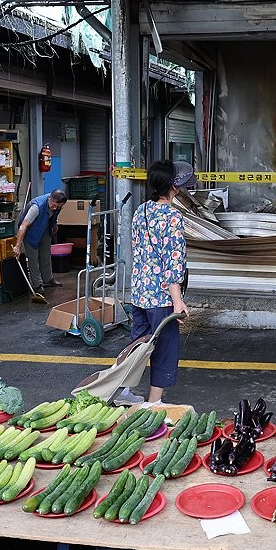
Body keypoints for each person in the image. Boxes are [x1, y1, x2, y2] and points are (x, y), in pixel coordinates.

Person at [120, 159, 194, 406]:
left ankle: (123, 392)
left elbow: (138, 251)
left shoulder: (140, 211)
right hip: (161, 297)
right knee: (164, 349)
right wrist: (178, 301)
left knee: (138, 344)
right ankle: (153, 402)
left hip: (139, 293)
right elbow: (173, 262)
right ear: (173, 186)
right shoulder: (172, 216)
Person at [13, 189, 67, 303]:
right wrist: (18, 246)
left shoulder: (57, 205)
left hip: (44, 227)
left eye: (58, 206)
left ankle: (48, 279)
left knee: (46, 254)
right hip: (31, 230)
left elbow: (54, 214)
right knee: (33, 258)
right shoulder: (36, 207)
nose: (55, 207)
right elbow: (23, 226)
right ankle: (37, 285)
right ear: (49, 199)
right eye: (53, 205)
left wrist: (54, 225)